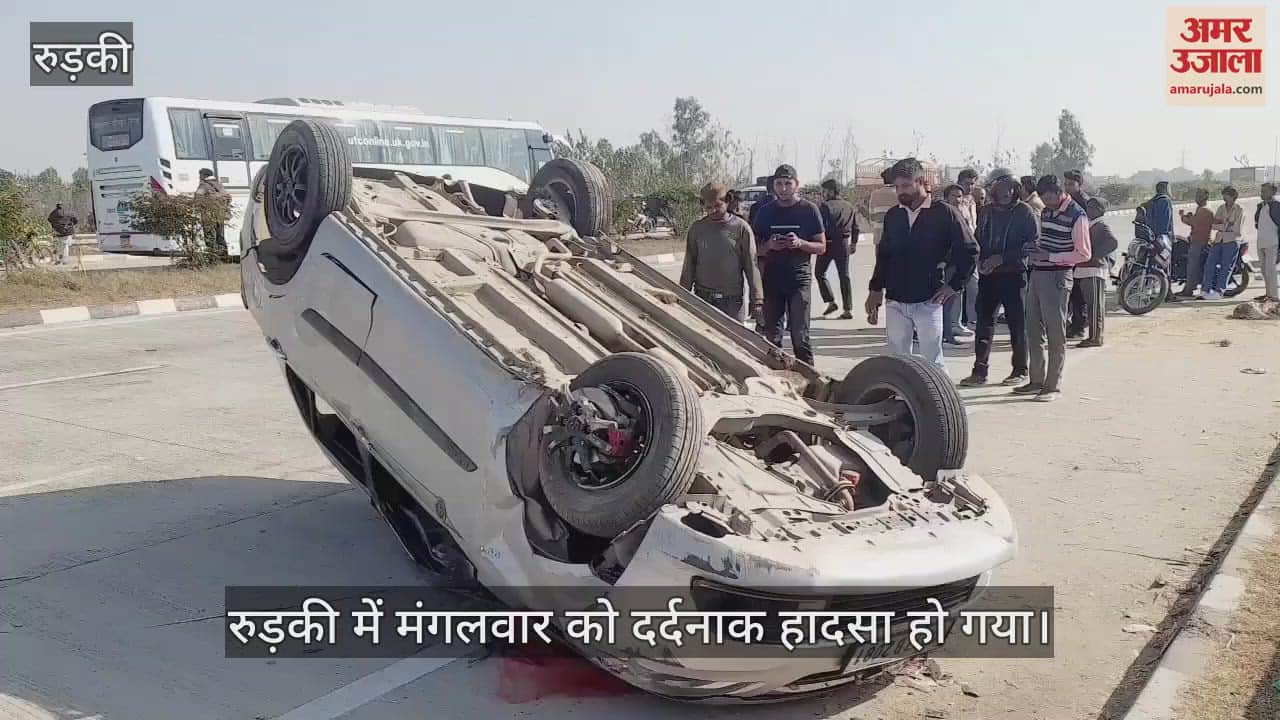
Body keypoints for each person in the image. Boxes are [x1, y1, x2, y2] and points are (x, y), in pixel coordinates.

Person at [866, 158, 977, 374]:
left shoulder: (944, 213)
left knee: (932, 363)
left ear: (921, 182)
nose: (900, 192)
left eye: (906, 186)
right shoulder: (894, 216)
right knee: (897, 363)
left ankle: (943, 405)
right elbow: (885, 256)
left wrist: (953, 286)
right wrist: (875, 289)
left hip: (929, 300)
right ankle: (902, 403)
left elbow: (971, 251)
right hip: (896, 301)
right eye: (897, 187)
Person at [959, 170, 1035, 387]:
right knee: (984, 324)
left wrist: (1001, 259)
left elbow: (1031, 244)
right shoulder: (986, 212)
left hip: (1014, 275)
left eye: (1011, 188)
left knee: (1017, 324)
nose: (1007, 192)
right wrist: (980, 261)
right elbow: (978, 239)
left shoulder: (1024, 212)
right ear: (993, 189)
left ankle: (1020, 369)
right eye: (1002, 188)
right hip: (989, 277)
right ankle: (979, 371)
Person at [1019, 175, 1090, 402]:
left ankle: (1052, 385)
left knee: (1055, 332)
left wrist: (1051, 256)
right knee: (1033, 329)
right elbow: (1047, 240)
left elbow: (1083, 253)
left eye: (1050, 197)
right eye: (1043, 198)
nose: (1047, 203)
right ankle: (1036, 380)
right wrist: (1035, 249)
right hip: (1038, 274)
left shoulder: (1077, 215)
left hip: (1058, 277)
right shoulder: (1048, 211)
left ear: (1060, 192)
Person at [752, 164, 826, 364]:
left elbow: (821, 247)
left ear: (796, 185)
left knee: (800, 337)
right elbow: (753, 249)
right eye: (779, 184)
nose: (783, 188)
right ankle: (775, 383)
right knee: (772, 339)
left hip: (798, 281)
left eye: (787, 183)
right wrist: (769, 245)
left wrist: (800, 243)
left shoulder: (808, 210)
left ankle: (811, 383)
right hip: (772, 280)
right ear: (773, 186)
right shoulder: (765, 212)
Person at [679, 181, 763, 323]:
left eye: (718, 206)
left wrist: (757, 300)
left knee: (734, 342)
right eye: (708, 207)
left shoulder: (741, 228)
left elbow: (751, 265)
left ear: (728, 201)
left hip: (732, 301)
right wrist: (681, 295)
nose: (713, 211)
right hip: (703, 298)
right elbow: (689, 265)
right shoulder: (697, 229)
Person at [944, 169, 981, 344]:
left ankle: (960, 321)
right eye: (967, 183)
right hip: (953, 255)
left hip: (969, 252)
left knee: (967, 286)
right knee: (954, 289)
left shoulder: (970, 202)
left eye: (973, 183)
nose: (970, 187)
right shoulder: (947, 211)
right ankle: (951, 325)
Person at [1076, 198, 1119, 348]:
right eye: (1088, 207)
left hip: (1094, 269)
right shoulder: (1091, 224)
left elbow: (1113, 242)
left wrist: (1094, 255)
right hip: (1085, 269)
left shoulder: (1100, 226)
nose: (1089, 210)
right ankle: (1094, 335)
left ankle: (1095, 337)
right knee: (1091, 305)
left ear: (1100, 210)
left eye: (1093, 207)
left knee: (1095, 306)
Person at [816, 179, 858, 319]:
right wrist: (854, 243)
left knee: (819, 273)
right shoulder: (849, 206)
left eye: (825, 191)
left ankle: (830, 301)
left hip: (828, 243)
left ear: (831, 191)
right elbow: (855, 227)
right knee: (844, 276)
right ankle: (847, 309)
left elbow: (822, 226)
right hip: (843, 244)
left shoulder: (825, 206)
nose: (823, 194)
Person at [1199, 186, 1243, 300]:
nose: (1225, 198)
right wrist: (1227, 225)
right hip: (1219, 240)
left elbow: (1237, 229)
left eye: (1227, 196)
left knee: (1226, 267)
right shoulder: (1221, 208)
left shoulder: (1239, 209)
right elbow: (1214, 225)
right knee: (1210, 264)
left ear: (1233, 196)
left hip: (1232, 241)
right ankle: (1205, 289)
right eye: (1224, 196)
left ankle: (1219, 291)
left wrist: (1224, 226)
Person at [1062, 170, 1091, 339]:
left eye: (1071, 184)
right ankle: (1075, 323)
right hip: (1068, 251)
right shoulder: (1067, 201)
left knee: (1078, 292)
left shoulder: (1083, 203)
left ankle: (1079, 326)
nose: (1067, 187)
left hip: (1079, 253)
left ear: (1080, 185)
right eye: (1065, 184)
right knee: (1072, 291)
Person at [1174, 189, 1215, 299]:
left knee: (1192, 266)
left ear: (1205, 197)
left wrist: (1183, 216)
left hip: (1199, 241)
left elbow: (1193, 222)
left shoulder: (1204, 210)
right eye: (1196, 195)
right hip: (1199, 240)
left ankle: (1189, 289)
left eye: (1199, 196)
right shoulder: (1202, 209)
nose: (1196, 198)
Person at [195, 168, 231, 255]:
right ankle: (224, 255)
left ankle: (213, 256)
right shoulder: (219, 184)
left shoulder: (204, 185)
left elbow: (197, 198)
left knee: (210, 235)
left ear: (204, 175)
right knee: (220, 236)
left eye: (200, 175)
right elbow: (228, 198)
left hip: (208, 215)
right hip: (220, 214)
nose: (199, 177)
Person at [1255, 183, 1280, 302]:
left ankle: (1274, 296)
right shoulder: (1260, 206)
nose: (1262, 193)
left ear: (1273, 192)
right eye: (1262, 191)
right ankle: (1268, 294)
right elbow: (1257, 224)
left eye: (1265, 191)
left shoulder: (1276, 206)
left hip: (1272, 242)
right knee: (1264, 270)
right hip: (1261, 241)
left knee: (1270, 270)